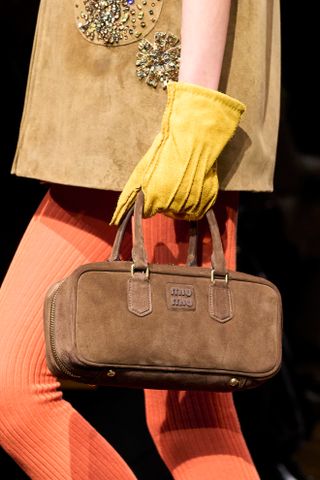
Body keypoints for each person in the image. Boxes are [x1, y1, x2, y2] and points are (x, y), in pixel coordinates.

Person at [0, 0, 280, 478]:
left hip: (147, 114)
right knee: (191, 415)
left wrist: (194, 113)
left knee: (16, 387)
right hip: (123, 111)